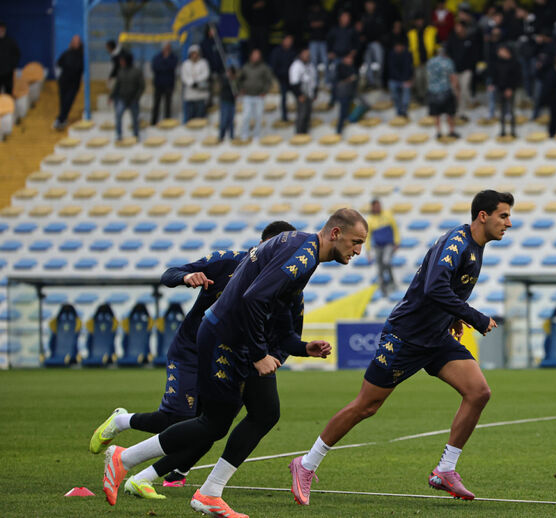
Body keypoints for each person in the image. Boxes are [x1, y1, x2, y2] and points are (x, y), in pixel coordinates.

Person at [101, 210, 368, 517]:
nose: (358, 251)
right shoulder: (303, 253)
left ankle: (207, 491)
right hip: (224, 338)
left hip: (236, 339)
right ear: (335, 233)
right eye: (356, 241)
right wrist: (259, 355)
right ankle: (129, 461)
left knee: (264, 413)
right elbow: (254, 299)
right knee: (214, 423)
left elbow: (279, 315)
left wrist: (303, 347)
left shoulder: (303, 251)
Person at [290, 191, 511, 505]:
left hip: (436, 337)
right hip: (406, 336)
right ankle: (306, 464)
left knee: (478, 392)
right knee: (366, 406)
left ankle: (445, 470)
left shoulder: (475, 247)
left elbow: (446, 288)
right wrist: (473, 316)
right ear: (483, 216)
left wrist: (454, 314)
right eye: (503, 216)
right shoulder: (457, 242)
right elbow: (434, 286)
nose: (509, 223)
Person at [88, 222, 296, 497]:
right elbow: (169, 273)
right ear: (263, 245)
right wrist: (186, 277)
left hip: (230, 359)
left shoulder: (284, 281)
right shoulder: (226, 262)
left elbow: (285, 332)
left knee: (210, 428)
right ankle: (122, 423)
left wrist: (274, 356)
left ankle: (142, 478)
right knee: (178, 417)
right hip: (191, 351)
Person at [238, 48, 274, 140]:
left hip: (259, 96)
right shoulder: (246, 67)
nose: (256, 57)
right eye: (254, 55)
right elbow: (239, 79)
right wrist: (241, 88)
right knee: (246, 116)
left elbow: (269, 81)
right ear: (251, 56)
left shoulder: (264, 67)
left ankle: (256, 135)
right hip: (248, 96)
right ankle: (244, 135)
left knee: (258, 116)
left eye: (257, 55)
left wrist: (264, 91)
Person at [366, 199, 400, 296]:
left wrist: (396, 242)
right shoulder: (370, 220)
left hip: (388, 244)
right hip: (378, 246)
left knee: (386, 261)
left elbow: (395, 228)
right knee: (380, 268)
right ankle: (383, 288)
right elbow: (368, 237)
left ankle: (391, 282)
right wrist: (368, 251)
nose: (378, 207)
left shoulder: (387, 215)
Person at [426, 47, 460, 140]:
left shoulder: (430, 62)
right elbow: (452, 77)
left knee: (436, 114)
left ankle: (438, 132)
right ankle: (451, 131)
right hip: (445, 91)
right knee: (450, 114)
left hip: (432, 91)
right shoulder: (448, 62)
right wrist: (457, 91)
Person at [110, 52, 144, 142]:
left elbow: (142, 86)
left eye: (122, 60)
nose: (121, 62)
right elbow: (117, 85)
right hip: (122, 99)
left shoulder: (137, 72)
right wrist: (111, 96)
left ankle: (136, 135)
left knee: (135, 119)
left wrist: (137, 97)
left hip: (133, 100)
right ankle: (119, 135)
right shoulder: (120, 72)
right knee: (118, 115)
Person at [53, 35, 83, 131]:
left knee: (68, 101)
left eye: (77, 41)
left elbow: (80, 69)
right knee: (63, 101)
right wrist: (58, 77)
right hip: (64, 81)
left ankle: (60, 119)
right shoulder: (66, 53)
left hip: (74, 83)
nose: (75, 42)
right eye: (74, 40)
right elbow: (58, 64)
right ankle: (62, 118)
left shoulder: (82, 55)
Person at [493, 44, 523, 138]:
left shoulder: (515, 63)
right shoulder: (498, 62)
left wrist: (510, 89)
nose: (499, 53)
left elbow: (517, 78)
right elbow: (496, 76)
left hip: (511, 90)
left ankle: (513, 131)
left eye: (501, 50)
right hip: (500, 89)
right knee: (501, 111)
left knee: (511, 110)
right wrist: (495, 85)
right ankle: (503, 131)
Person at [408, 14, 438, 102]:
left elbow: (437, 44)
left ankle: (428, 97)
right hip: (417, 61)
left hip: (429, 60)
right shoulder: (411, 33)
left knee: (428, 80)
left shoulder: (431, 30)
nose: (419, 22)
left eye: (420, 20)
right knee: (418, 79)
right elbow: (410, 47)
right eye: (417, 20)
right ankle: (421, 97)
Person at [270, 34, 297, 123]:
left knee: (299, 95)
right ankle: (284, 117)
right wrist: (278, 76)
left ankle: (299, 115)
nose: (289, 43)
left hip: (292, 79)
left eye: (291, 41)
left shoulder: (293, 52)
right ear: (283, 41)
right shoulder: (277, 51)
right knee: (284, 98)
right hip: (282, 79)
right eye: (287, 40)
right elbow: (274, 66)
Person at [290, 47, 317, 135]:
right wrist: (299, 95)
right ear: (301, 55)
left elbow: (313, 80)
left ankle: (305, 133)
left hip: (309, 93)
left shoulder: (310, 65)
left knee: (308, 115)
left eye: (308, 55)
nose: (307, 56)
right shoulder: (296, 65)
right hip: (302, 94)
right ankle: (299, 134)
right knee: (301, 115)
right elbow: (294, 82)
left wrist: (315, 93)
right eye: (305, 54)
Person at [360, 0, 387, 88]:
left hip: (376, 42)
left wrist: (379, 39)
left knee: (380, 62)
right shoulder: (363, 16)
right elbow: (361, 31)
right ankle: (371, 83)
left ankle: (378, 81)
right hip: (366, 44)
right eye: (367, 4)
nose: (369, 6)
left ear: (374, 5)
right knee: (367, 63)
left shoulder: (379, 15)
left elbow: (382, 29)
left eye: (371, 4)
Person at [180, 45, 209, 122]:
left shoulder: (203, 63)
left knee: (200, 116)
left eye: (196, 53)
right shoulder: (186, 64)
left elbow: (206, 74)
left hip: (200, 95)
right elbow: (184, 76)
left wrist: (197, 81)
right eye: (193, 53)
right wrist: (191, 83)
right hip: (190, 95)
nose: (194, 55)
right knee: (190, 116)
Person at [151, 43, 178, 125]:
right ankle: (154, 122)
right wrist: (165, 65)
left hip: (169, 84)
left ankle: (167, 121)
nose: (167, 49)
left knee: (168, 104)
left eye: (169, 47)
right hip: (158, 84)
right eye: (166, 47)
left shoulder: (173, 57)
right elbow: (155, 67)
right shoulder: (157, 57)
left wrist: (164, 63)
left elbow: (172, 66)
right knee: (156, 104)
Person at [387, 39, 413, 118]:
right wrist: (401, 79)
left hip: (405, 79)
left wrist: (406, 80)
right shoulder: (391, 55)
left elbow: (408, 68)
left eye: (399, 47)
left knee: (406, 91)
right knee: (394, 93)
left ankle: (404, 111)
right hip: (395, 79)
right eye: (396, 47)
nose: (398, 48)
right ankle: (398, 112)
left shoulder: (407, 54)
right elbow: (392, 69)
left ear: (402, 47)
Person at [333, 53, 357, 135]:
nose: (350, 60)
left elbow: (354, 78)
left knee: (348, 111)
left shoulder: (351, 67)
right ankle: (339, 131)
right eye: (348, 58)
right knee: (343, 113)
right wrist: (350, 79)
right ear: (344, 59)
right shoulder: (340, 66)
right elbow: (343, 77)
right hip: (343, 93)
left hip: (350, 92)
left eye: (351, 58)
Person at [0, 22, 20, 95]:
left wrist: (12, 66)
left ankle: (9, 106)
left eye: (2, 29)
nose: (0, 31)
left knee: (8, 92)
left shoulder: (10, 42)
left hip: (8, 73)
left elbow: (17, 54)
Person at [218, 66, 237, 142]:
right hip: (225, 101)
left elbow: (236, 90)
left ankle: (232, 136)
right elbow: (223, 84)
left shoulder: (234, 81)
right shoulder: (224, 79)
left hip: (232, 102)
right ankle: (221, 137)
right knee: (224, 120)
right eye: (227, 72)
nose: (228, 74)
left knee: (231, 121)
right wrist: (228, 79)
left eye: (230, 72)